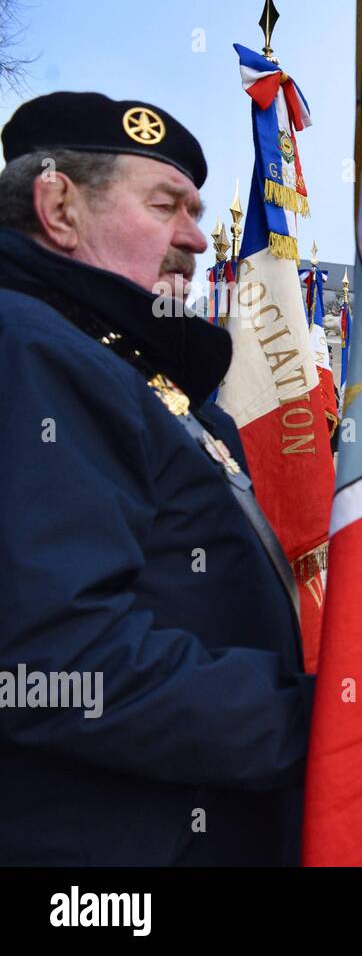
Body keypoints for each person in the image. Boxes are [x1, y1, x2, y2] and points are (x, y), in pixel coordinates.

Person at [0, 92, 313, 864]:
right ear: (59, 206)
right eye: (167, 206)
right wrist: (309, 720)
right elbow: (57, 659)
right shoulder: (28, 348)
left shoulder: (129, 368)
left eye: (198, 211)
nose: (198, 241)